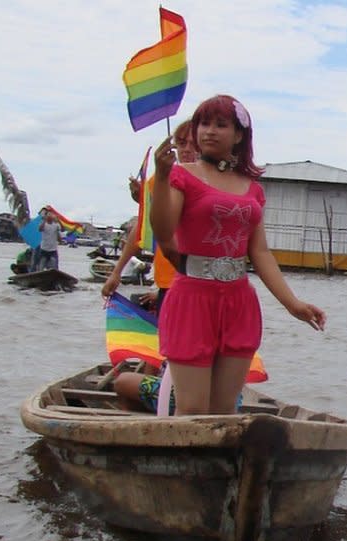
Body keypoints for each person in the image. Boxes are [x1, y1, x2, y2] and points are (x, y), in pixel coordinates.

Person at [150, 94, 325, 415]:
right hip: (192, 299)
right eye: (204, 123)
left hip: (238, 302)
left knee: (224, 409)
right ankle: (187, 464)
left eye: (221, 125)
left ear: (239, 135)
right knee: (191, 410)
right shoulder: (181, 175)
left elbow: (259, 253)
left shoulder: (252, 188)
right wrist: (161, 179)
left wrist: (293, 304)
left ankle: (218, 466)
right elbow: (163, 232)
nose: (209, 132)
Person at [102, 120, 196, 312]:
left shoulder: (215, 184)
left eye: (193, 144)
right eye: (181, 143)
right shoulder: (159, 180)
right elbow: (143, 228)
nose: (187, 149)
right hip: (167, 279)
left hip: (198, 281)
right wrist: (117, 272)